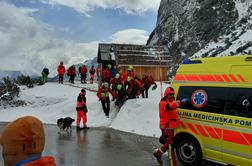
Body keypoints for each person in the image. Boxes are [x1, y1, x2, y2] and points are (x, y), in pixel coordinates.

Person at [153, 87, 188, 165]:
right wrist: (180, 102)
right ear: (166, 95)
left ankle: (158, 153)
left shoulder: (171, 101)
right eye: (170, 95)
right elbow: (170, 107)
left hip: (171, 127)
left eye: (173, 94)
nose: (172, 96)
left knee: (168, 145)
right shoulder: (163, 103)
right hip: (167, 128)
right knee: (171, 148)